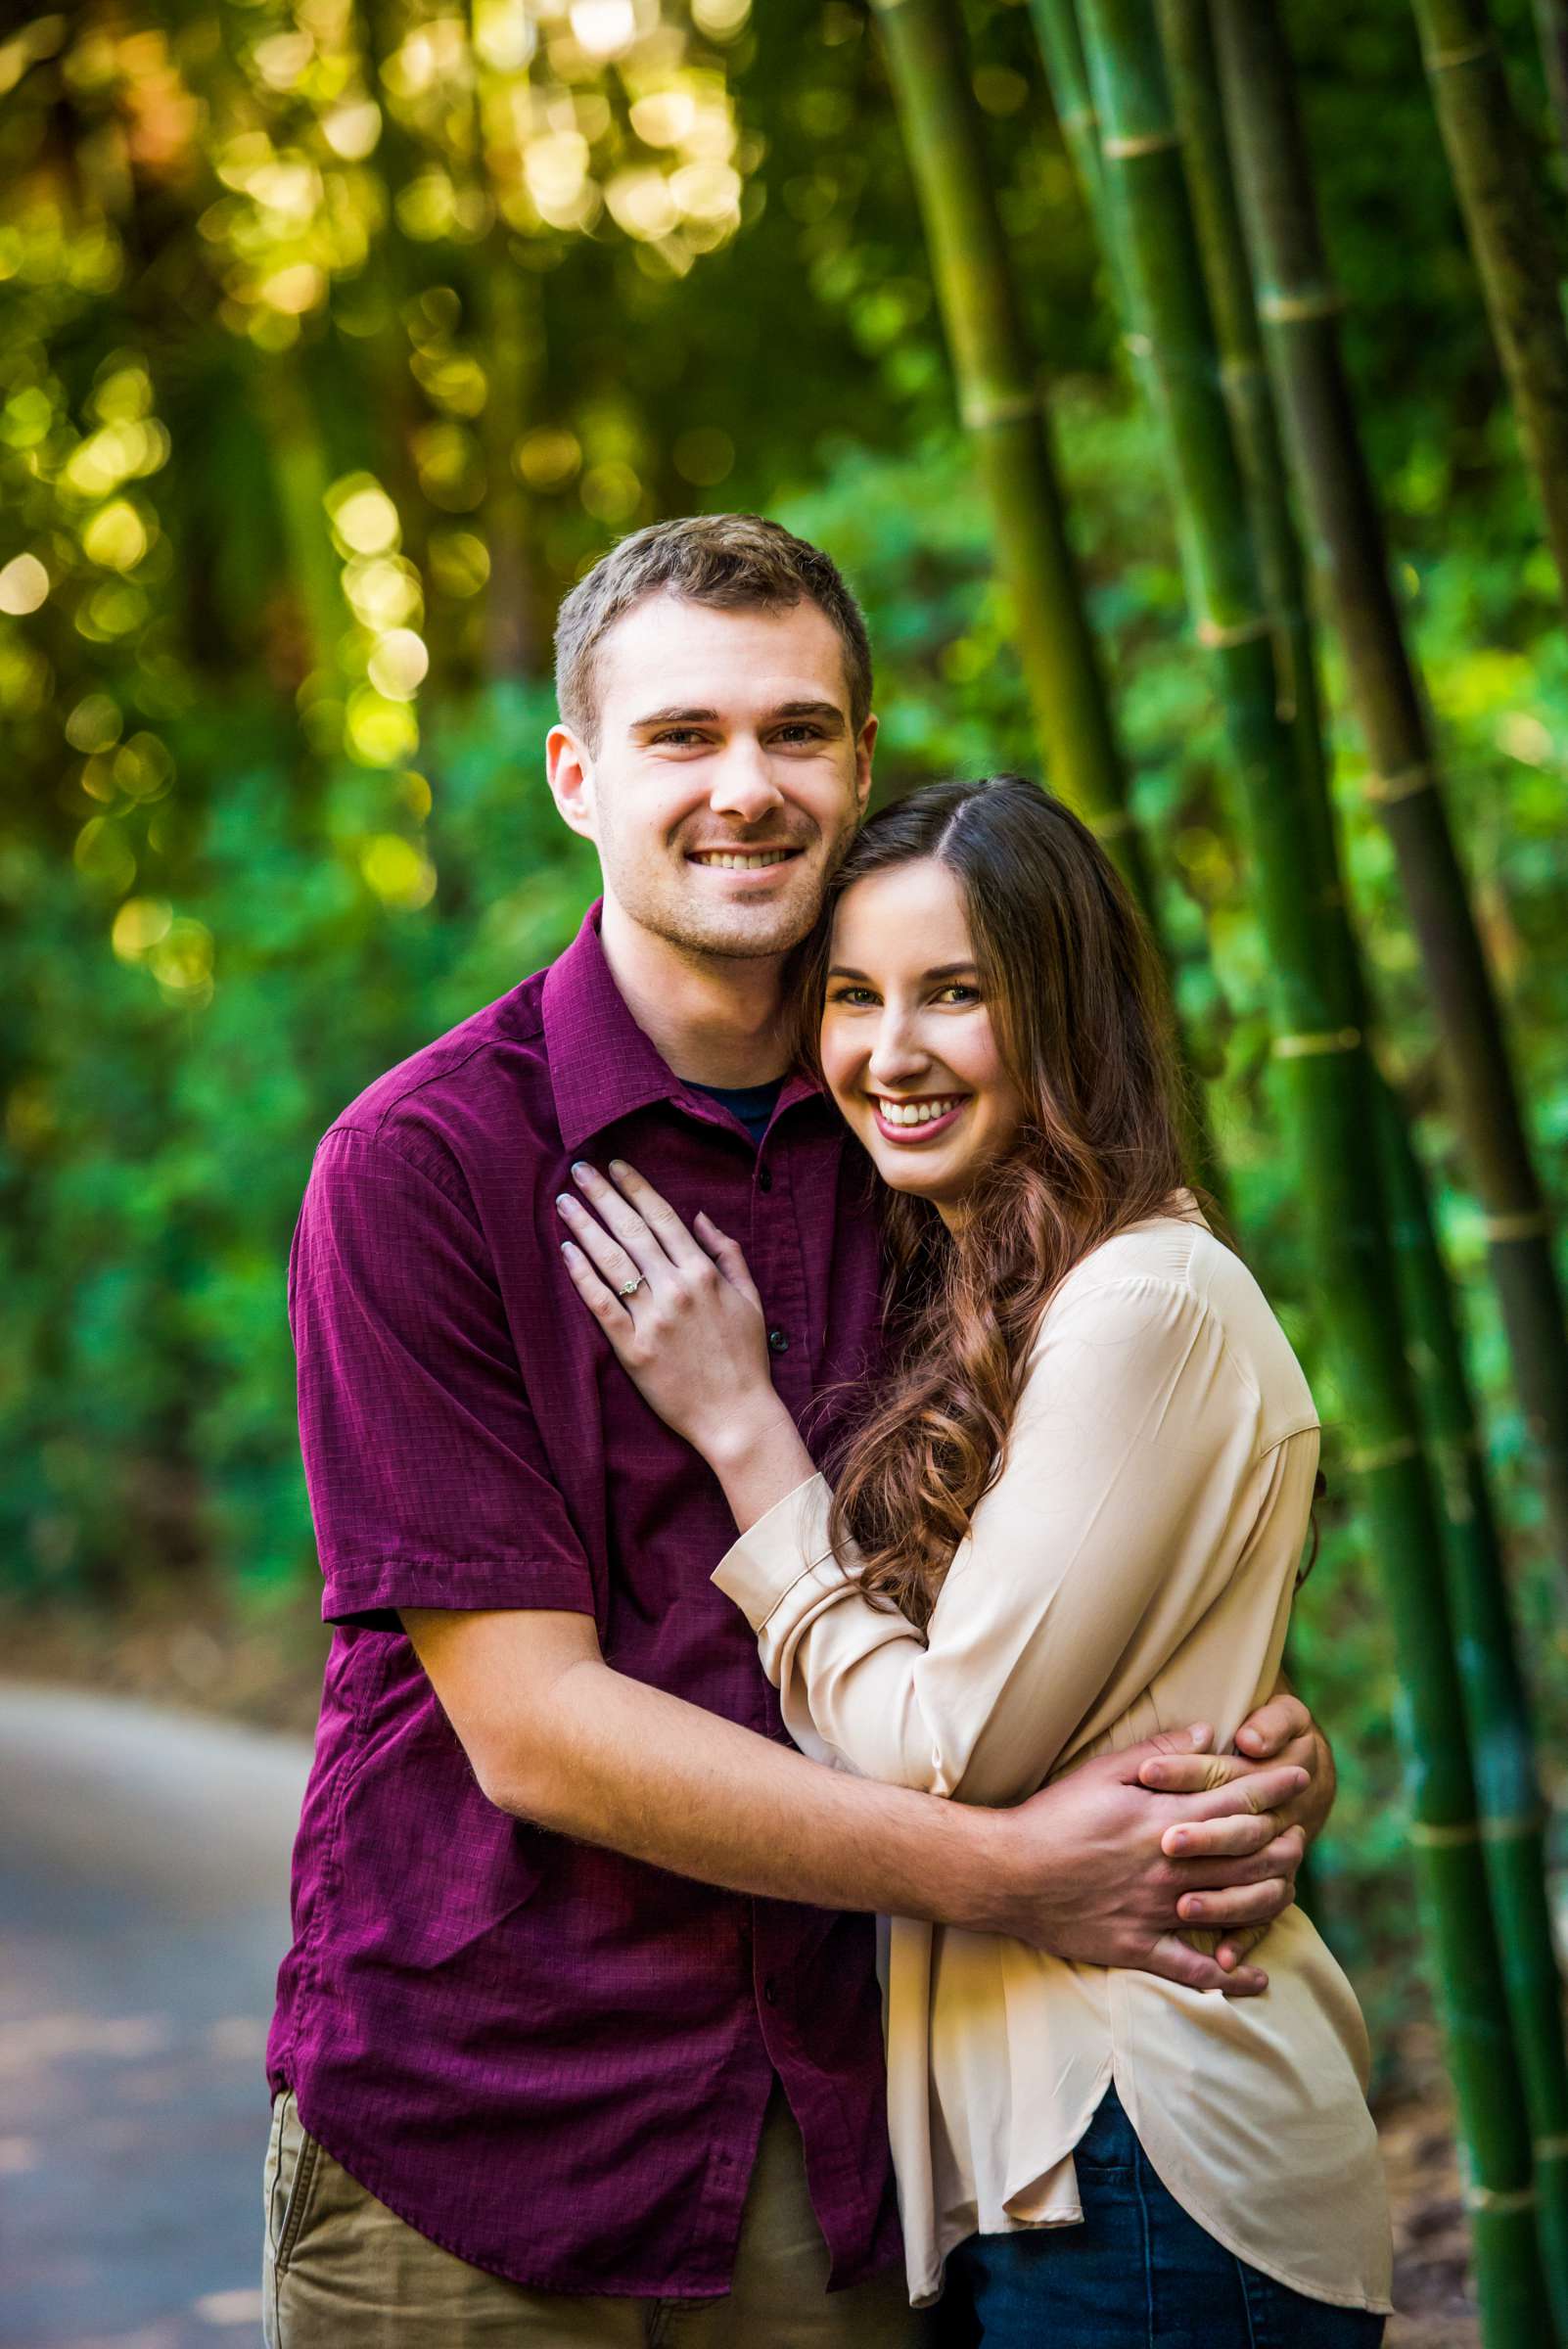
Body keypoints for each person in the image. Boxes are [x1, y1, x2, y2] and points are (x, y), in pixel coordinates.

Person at [263, 518, 1338, 2347]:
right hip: (484, 2128)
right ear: (576, 776)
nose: (744, 788)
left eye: (798, 732)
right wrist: (1023, 1874)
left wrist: (1223, 1754)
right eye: (684, 736)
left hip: (848, 2143)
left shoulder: (937, 1149)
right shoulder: (425, 1169)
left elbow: (1071, 1561)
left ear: (857, 763)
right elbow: (536, 1730)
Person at [556, 771, 1393, 2343]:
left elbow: (950, 1746)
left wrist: (743, 1433)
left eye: (956, 994)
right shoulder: (995, 1296)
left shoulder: (1141, 1302)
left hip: (1144, 2150)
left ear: (1062, 1012)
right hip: (1052, 2159)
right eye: (855, 997)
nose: (891, 1052)